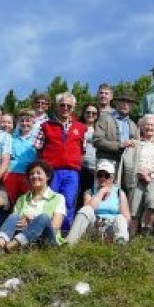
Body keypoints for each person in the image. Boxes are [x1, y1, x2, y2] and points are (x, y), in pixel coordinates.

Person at [36, 92, 88, 232]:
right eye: (62, 105)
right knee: (49, 200)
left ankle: (63, 232)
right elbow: (38, 149)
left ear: (73, 108)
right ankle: (45, 231)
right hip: (52, 170)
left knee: (68, 201)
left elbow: (83, 151)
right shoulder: (45, 125)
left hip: (72, 171)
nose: (66, 108)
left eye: (69, 106)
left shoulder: (81, 127)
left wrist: (75, 165)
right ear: (57, 107)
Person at [0, 160, 65, 255]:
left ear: (47, 176)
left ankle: (10, 247)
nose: (34, 176)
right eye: (31, 174)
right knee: (13, 216)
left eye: (38, 173)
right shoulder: (22, 199)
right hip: (24, 237)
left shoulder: (58, 198)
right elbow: (15, 224)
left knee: (44, 217)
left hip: (46, 241)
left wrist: (32, 222)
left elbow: (55, 227)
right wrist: (26, 225)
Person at [121, 114, 154, 235]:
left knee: (151, 202)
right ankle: (131, 236)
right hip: (136, 177)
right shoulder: (134, 144)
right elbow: (128, 162)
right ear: (142, 127)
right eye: (146, 124)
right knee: (134, 207)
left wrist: (149, 172)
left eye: (152, 125)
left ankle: (146, 230)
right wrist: (140, 172)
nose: (149, 127)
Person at [66, 159, 130, 245]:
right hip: (94, 226)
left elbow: (127, 218)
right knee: (85, 210)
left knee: (121, 218)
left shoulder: (119, 193)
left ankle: (120, 243)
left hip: (111, 229)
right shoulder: (89, 192)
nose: (102, 178)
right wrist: (101, 192)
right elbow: (87, 210)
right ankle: (69, 243)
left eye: (106, 176)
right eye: (100, 175)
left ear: (112, 178)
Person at [94, 91, 139, 170]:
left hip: (126, 163)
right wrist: (120, 145)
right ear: (116, 103)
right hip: (106, 160)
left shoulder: (133, 124)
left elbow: (137, 145)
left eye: (129, 102)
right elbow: (97, 141)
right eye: (122, 101)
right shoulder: (104, 118)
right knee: (105, 182)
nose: (125, 105)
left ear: (132, 106)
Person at [2, 108, 38, 204]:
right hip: (11, 173)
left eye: (28, 121)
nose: (25, 123)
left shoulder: (37, 139)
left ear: (33, 122)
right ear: (18, 122)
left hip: (28, 174)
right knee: (9, 200)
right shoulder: (11, 137)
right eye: (22, 121)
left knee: (27, 202)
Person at [79, 104, 100, 199]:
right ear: (83, 114)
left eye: (94, 113)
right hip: (80, 166)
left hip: (95, 167)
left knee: (92, 195)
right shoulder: (78, 127)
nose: (90, 114)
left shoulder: (100, 129)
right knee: (80, 195)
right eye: (88, 112)